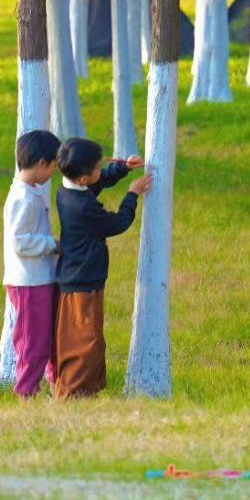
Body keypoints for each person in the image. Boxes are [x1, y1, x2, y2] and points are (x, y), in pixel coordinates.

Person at [53, 137, 151, 399]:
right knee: (85, 341)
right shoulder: (83, 207)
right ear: (83, 179)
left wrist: (123, 168)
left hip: (80, 278)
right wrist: (132, 194)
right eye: (98, 167)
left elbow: (99, 181)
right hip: (82, 284)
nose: (102, 169)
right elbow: (117, 223)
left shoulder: (67, 191)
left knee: (89, 338)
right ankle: (71, 394)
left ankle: (85, 391)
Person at [3, 129, 62, 399]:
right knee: (33, 340)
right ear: (41, 163)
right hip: (28, 282)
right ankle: (26, 392)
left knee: (45, 336)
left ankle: (53, 385)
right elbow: (20, 242)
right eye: (54, 165)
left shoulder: (30, 193)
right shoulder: (22, 198)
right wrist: (52, 244)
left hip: (40, 278)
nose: (54, 171)